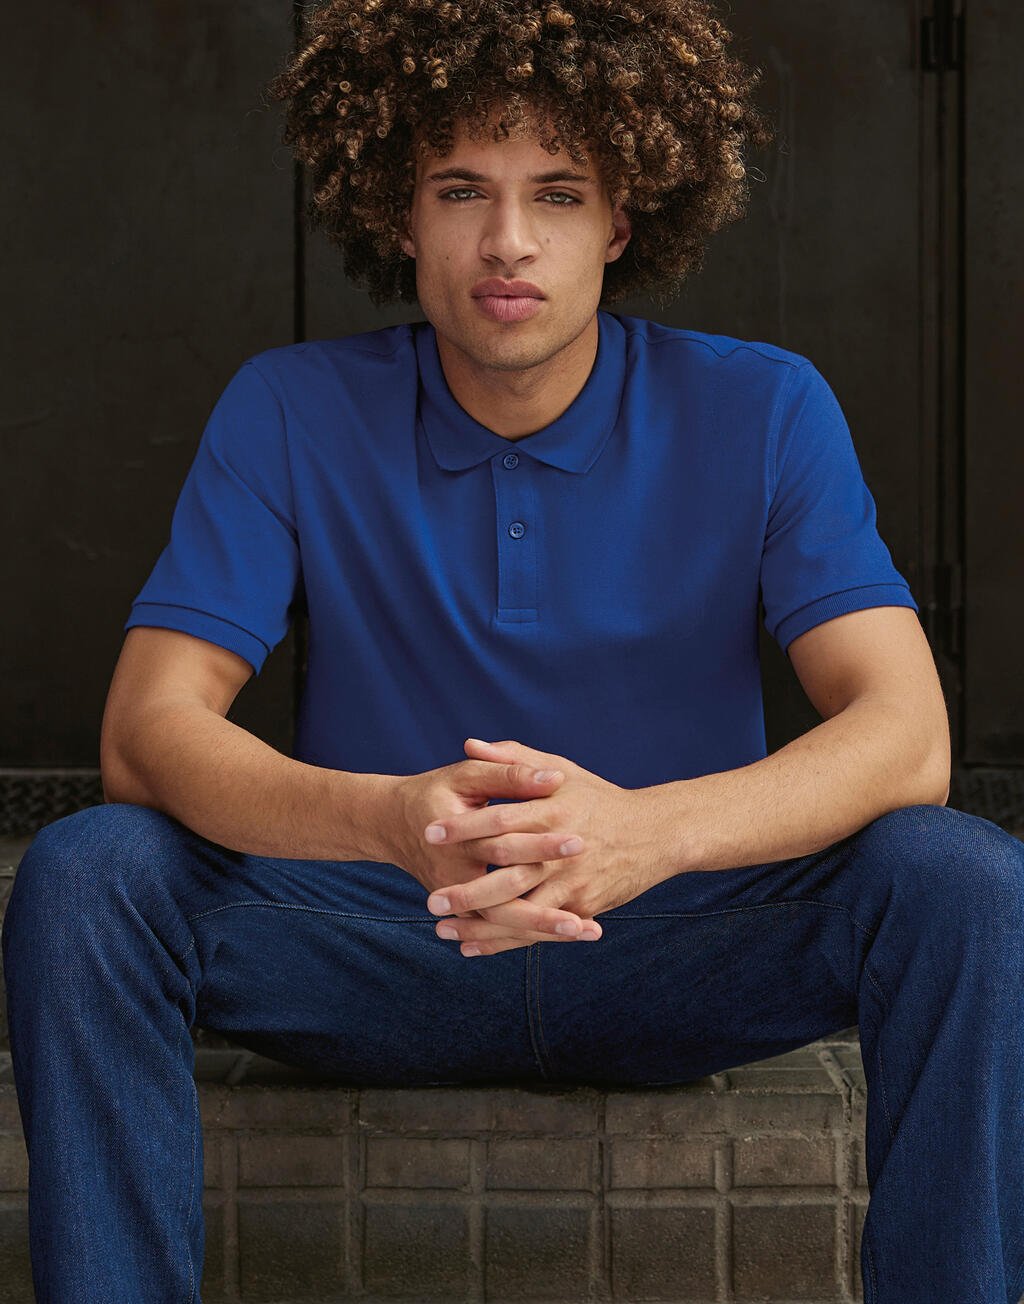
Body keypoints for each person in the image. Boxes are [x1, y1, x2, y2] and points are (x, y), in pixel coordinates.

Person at [4, 0, 1023, 1300]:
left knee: (963, 879)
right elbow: (148, 732)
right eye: (460, 191)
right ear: (399, 212)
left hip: (683, 944)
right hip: (376, 938)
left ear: (623, 219)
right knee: (88, 872)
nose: (507, 241)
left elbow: (908, 735)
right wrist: (388, 823)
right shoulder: (288, 410)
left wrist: (649, 835)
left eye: (557, 193)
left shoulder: (765, 406)